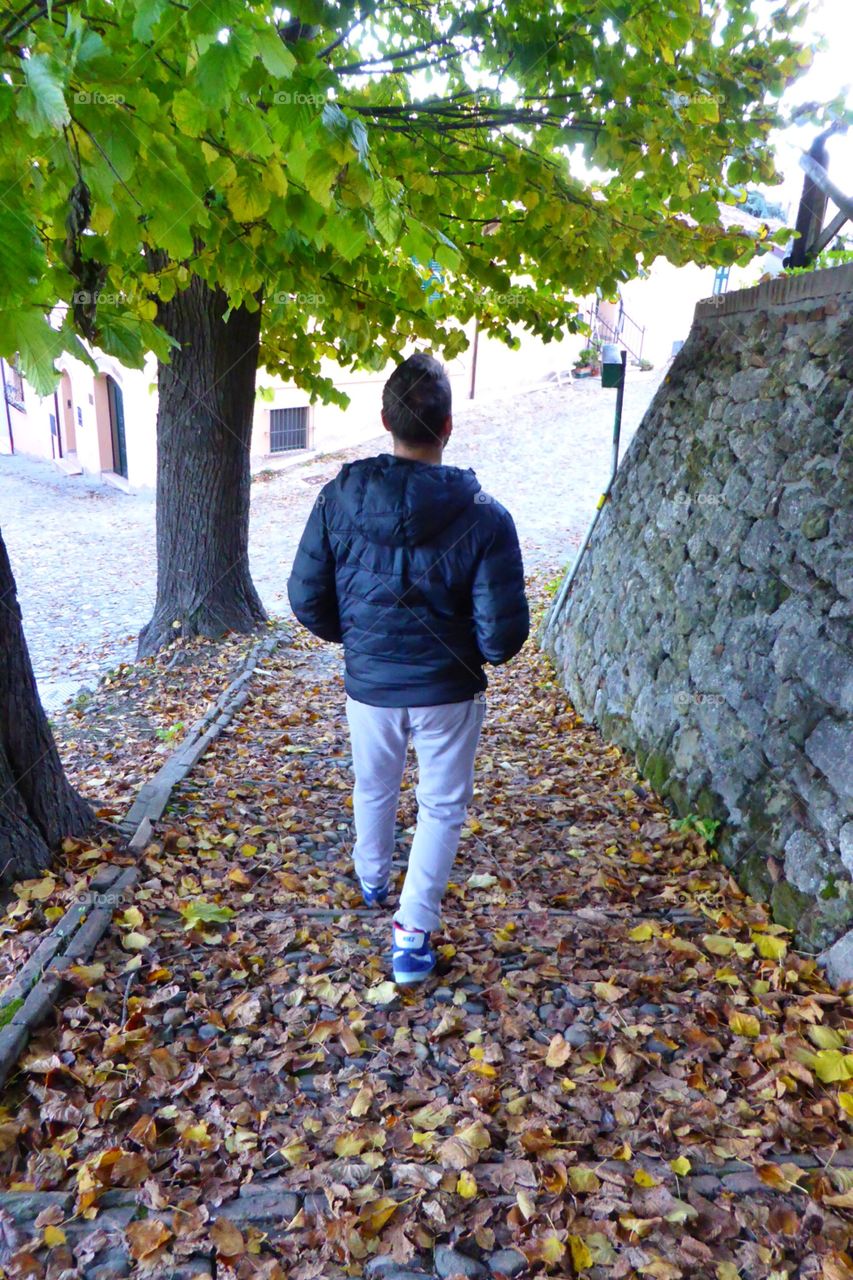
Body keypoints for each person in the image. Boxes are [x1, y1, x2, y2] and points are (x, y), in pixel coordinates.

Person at [287, 352, 529, 984]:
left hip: (370, 687)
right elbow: (502, 638)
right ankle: (411, 935)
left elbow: (306, 598)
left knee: (373, 786)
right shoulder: (485, 517)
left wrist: (362, 643)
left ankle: (371, 879)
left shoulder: (338, 500)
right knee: (441, 807)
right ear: (447, 427)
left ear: (385, 419)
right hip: (448, 691)